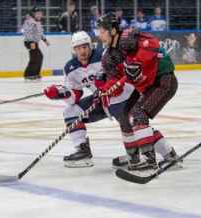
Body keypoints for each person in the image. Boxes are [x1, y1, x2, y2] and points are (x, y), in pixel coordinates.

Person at [94, 12, 182, 172]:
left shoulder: (127, 37)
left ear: (113, 30)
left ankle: (149, 160)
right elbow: (115, 82)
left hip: (162, 80)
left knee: (137, 115)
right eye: (98, 31)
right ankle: (169, 157)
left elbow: (153, 44)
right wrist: (104, 91)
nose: (99, 35)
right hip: (145, 86)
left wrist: (137, 62)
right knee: (126, 119)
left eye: (102, 30)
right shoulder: (109, 56)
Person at [43, 31, 133, 167]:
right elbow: (74, 93)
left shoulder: (104, 55)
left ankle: (152, 154)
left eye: (85, 47)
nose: (82, 51)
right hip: (101, 101)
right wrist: (60, 94)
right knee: (71, 112)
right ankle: (83, 151)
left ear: (90, 46)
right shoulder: (70, 68)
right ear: (74, 50)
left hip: (121, 97)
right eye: (78, 48)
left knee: (134, 124)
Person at [22, 7, 50, 82]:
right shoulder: (31, 22)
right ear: (34, 14)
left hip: (34, 43)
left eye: (39, 13)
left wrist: (45, 40)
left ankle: (35, 73)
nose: (38, 15)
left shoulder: (38, 23)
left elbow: (40, 33)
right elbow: (26, 32)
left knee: (40, 57)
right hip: (30, 42)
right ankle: (28, 75)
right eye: (37, 13)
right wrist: (31, 42)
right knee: (35, 58)